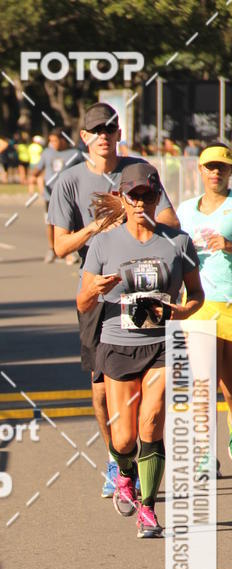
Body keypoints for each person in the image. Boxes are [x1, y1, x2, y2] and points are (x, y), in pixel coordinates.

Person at [48, 102, 180, 499]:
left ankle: (142, 453)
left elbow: (172, 223)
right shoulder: (69, 181)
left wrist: (134, 217)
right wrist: (98, 226)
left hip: (146, 291)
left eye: (110, 128)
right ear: (84, 137)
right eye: (96, 130)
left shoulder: (138, 170)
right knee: (103, 389)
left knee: (149, 385)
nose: (104, 135)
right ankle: (116, 458)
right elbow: (59, 246)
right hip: (101, 296)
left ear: (118, 132)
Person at [77, 161, 204, 537]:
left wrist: (183, 310)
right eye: (133, 196)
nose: (141, 202)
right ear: (122, 198)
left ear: (156, 197)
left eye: (148, 195)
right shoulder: (103, 243)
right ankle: (125, 475)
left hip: (162, 345)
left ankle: (148, 508)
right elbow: (83, 303)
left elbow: (196, 294)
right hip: (117, 344)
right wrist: (95, 290)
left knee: (151, 422)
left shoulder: (177, 242)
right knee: (124, 439)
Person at [177, 143, 232, 460]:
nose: (215, 172)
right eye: (210, 167)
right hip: (199, 304)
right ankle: (203, 455)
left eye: (221, 167)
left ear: (229, 172)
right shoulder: (185, 210)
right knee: (201, 382)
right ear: (200, 171)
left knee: (230, 389)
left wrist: (228, 244)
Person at [30, 128, 82, 263]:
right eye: (50, 140)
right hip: (50, 195)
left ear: (63, 140)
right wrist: (34, 176)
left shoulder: (75, 154)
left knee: (69, 223)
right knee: (50, 222)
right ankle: (51, 249)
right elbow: (37, 169)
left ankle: (70, 251)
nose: (52, 143)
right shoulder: (47, 153)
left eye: (55, 140)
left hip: (69, 195)